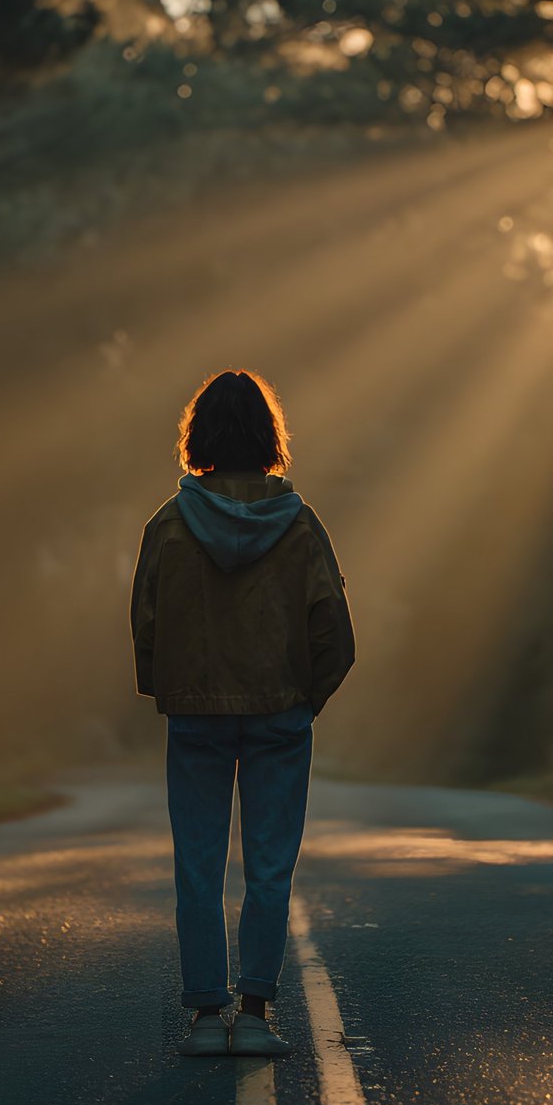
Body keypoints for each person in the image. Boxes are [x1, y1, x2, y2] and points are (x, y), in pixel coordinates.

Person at [130, 369, 355, 1058]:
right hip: (280, 717)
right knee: (269, 868)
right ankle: (255, 1014)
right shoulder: (301, 526)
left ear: (198, 436)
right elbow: (335, 636)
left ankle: (203, 1020)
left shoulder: (167, 525)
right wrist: (303, 698)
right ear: (269, 437)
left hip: (196, 715)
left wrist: (169, 691)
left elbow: (146, 623)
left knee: (197, 868)